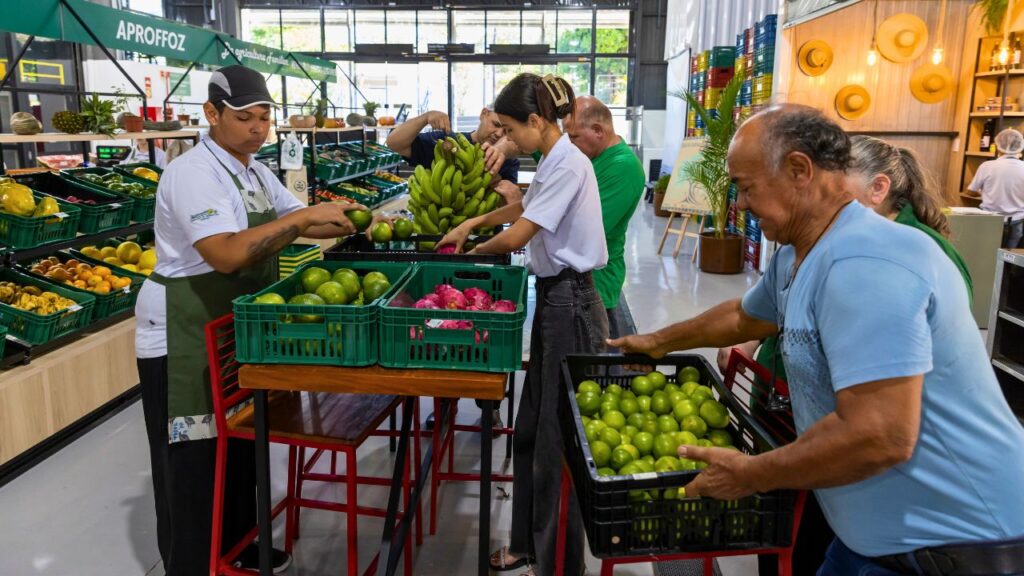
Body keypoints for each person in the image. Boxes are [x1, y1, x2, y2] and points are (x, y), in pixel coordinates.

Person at [613, 104, 1024, 575]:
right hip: (874, 537)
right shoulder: (800, 253)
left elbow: (879, 434)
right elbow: (743, 317)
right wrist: (658, 340)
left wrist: (751, 475)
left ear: (799, 170)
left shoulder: (866, 265)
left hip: (950, 546)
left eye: (746, 188)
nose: (739, 205)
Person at [134, 65, 372, 575]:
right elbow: (224, 254)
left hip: (236, 319)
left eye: (265, 117)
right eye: (246, 117)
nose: (259, 129)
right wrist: (302, 219)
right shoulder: (193, 172)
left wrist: (355, 216)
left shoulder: (255, 171)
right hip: (183, 328)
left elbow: (302, 221)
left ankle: (239, 544)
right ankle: (192, 562)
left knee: (242, 439)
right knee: (193, 456)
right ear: (212, 114)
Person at [720, 133, 977, 576]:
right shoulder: (826, 238)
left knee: (815, 541)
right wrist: (749, 338)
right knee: (787, 530)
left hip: (856, 456)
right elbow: (786, 301)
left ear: (876, 190)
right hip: (793, 417)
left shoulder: (917, 255)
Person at [439, 73, 608, 576]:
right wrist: (473, 223)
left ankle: (558, 564)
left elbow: (519, 237)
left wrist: (466, 250)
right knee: (531, 431)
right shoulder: (554, 159)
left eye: (512, 129)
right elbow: (525, 208)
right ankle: (528, 544)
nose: (507, 139)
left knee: (559, 442)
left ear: (537, 121)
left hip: (573, 308)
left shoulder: (569, 163)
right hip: (557, 302)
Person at [563, 96, 645, 339]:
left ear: (598, 130)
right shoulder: (591, 157)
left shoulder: (623, 168)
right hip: (578, 281)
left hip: (596, 286)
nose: (570, 144)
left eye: (574, 137)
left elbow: (587, 230)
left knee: (590, 367)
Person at [386, 106, 524, 205]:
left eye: (506, 130)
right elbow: (394, 143)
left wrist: (495, 179)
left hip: (484, 236)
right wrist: (425, 118)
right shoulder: (446, 143)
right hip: (436, 229)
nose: (499, 134)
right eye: (495, 124)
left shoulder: (507, 161)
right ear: (484, 114)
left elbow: (506, 206)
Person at [968, 127, 1024, 248]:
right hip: (1017, 222)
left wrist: (985, 193)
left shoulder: (987, 166)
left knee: (986, 255)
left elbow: (971, 191)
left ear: (998, 146)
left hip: (990, 220)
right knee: (1009, 259)